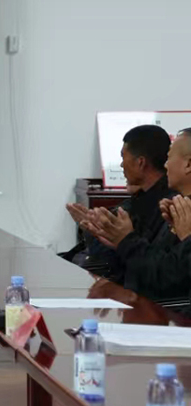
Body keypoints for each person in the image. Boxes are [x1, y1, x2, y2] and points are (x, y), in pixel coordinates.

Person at [84, 129, 191, 306]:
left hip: (169, 314)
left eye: (169, 158)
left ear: (188, 165)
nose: (165, 166)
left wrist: (126, 241)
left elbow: (166, 279)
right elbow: (158, 265)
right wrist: (118, 241)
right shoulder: (178, 208)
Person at [66, 124, 172, 279]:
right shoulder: (141, 198)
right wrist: (94, 229)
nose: (121, 165)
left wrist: (97, 233)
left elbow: (128, 262)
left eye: (123, 157)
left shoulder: (166, 206)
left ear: (140, 162)